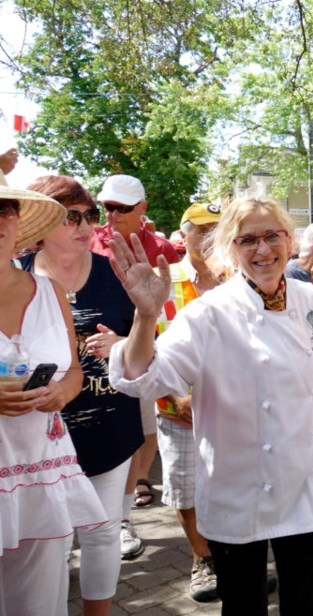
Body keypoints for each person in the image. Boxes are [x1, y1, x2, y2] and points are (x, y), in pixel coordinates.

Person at [107, 197, 313, 616]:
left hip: (301, 481)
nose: (263, 250)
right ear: (230, 248)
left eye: (271, 236)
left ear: (289, 240)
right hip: (237, 486)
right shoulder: (209, 312)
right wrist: (145, 317)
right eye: (248, 240)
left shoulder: (307, 298)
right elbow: (144, 378)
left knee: (307, 615)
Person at [19, 175, 145, 616]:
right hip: (37, 435)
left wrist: (124, 340)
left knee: (101, 533)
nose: (85, 225)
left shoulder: (117, 272)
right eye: (72, 217)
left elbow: (149, 350)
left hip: (108, 428)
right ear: (44, 222)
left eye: (89, 216)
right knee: (47, 543)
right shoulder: (17, 275)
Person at [0, 185, 107, 616]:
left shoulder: (50, 290)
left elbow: (75, 372)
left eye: (6, 211)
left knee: (40, 607)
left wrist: (62, 391)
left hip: (43, 471)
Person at [89, 175, 178, 547]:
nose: (112, 214)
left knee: (139, 433)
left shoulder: (162, 250)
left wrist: (124, 343)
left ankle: (122, 517)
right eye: (107, 206)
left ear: (142, 208)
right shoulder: (89, 240)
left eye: (122, 208)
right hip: (88, 353)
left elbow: (170, 317)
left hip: (139, 356)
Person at [154, 203, 224, 601]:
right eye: (201, 229)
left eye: (217, 228)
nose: (210, 235)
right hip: (177, 410)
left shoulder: (237, 279)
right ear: (183, 236)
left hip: (228, 411)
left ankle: (232, 555)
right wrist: (174, 396)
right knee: (185, 488)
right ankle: (203, 560)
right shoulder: (163, 280)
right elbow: (147, 348)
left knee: (230, 485)